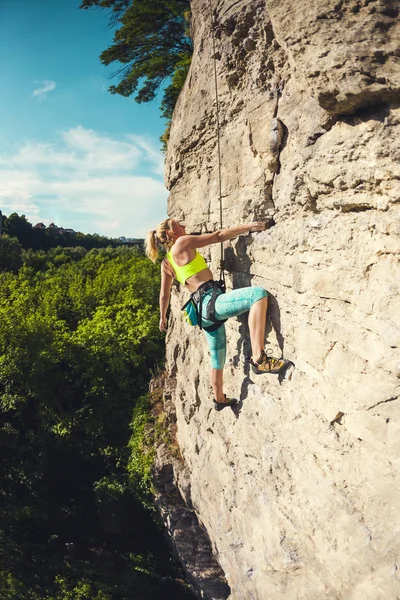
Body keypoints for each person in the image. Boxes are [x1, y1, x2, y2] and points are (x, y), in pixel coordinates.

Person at [145, 218, 288, 411]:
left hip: (202, 313)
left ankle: (219, 399)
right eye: (178, 225)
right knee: (258, 295)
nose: (184, 226)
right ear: (171, 233)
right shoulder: (182, 242)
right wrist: (251, 226)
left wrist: (163, 317)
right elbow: (218, 236)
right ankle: (259, 358)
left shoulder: (166, 263)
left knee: (217, 359)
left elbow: (164, 295)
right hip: (212, 303)